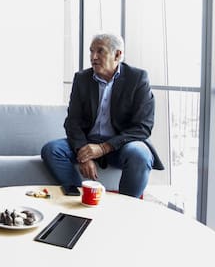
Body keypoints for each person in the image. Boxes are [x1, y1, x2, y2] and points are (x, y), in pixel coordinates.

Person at [41, 33, 164, 198]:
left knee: (140, 154)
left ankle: (127, 208)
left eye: (100, 51)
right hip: (87, 143)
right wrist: (83, 154)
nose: (93, 57)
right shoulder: (82, 79)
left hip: (120, 146)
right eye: (91, 51)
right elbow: (72, 122)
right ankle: (78, 197)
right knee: (52, 150)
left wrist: (103, 148)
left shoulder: (137, 78)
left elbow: (142, 127)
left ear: (118, 54)